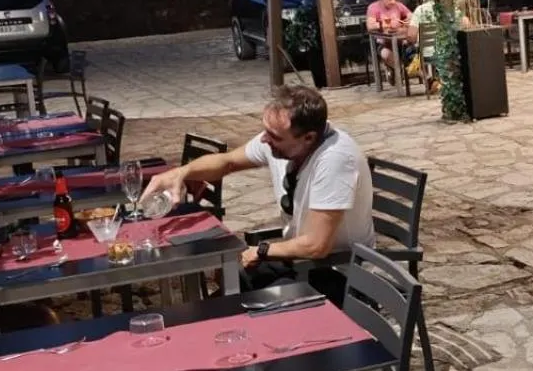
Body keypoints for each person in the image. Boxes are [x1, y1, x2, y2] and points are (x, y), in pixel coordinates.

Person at [142, 84, 374, 297]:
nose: (264, 139)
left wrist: (261, 250)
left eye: (274, 136)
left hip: (341, 275)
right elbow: (228, 162)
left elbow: (316, 245)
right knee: (226, 290)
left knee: (243, 306)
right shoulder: (285, 144)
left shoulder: (335, 159)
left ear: (308, 138)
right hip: (301, 264)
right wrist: (182, 172)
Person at [366, 0, 413, 76]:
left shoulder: (398, 5)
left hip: (400, 41)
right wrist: (385, 24)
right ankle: (399, 70)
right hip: (383, 42)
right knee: (386, 54)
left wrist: (405, 22)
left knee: (414, 49)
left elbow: (411, 17)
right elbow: (370, 26)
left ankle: (399, 71)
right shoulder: (373, 7)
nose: (393, 2)